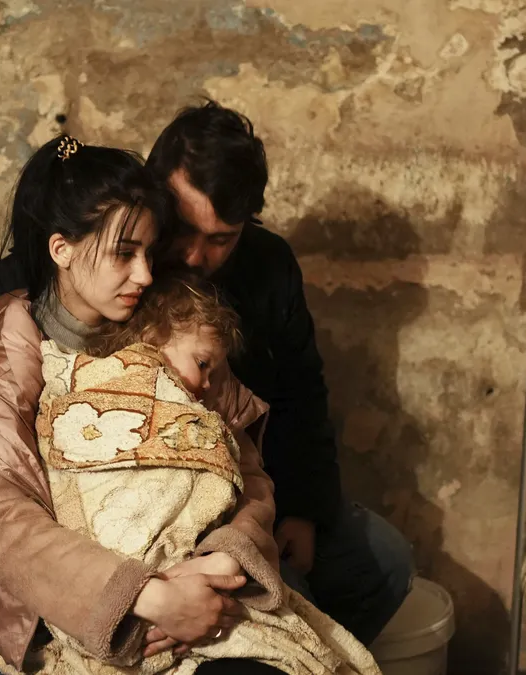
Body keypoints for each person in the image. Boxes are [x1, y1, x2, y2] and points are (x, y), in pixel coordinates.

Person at [0, 102, 414, 645]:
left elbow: (291, 402)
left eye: (221, 239)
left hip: (225, 494)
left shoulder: (266, 268)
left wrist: (296, 514)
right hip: (82, 517)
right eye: (183, 230)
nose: (192, 255)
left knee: (380, 563)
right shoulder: (35, 291)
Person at [0, 135, 288, 675]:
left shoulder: (174, 320)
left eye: (149, 252)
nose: (145, 274)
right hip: (81, 608)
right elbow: (3, 522)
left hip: (202, 584)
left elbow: (246, 468)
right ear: (61, 249)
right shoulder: (10, 337)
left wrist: (222, 563)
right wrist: (149, 597)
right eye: (123, 253)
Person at [27, 272, 377, 675]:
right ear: (152, 337)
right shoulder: (88, 380)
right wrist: (150, 594)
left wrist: (224, 559)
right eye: (202, 364)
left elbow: (242, 483)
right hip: (114, 583)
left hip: (201, 571)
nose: (209, 385)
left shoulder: (207, 412)